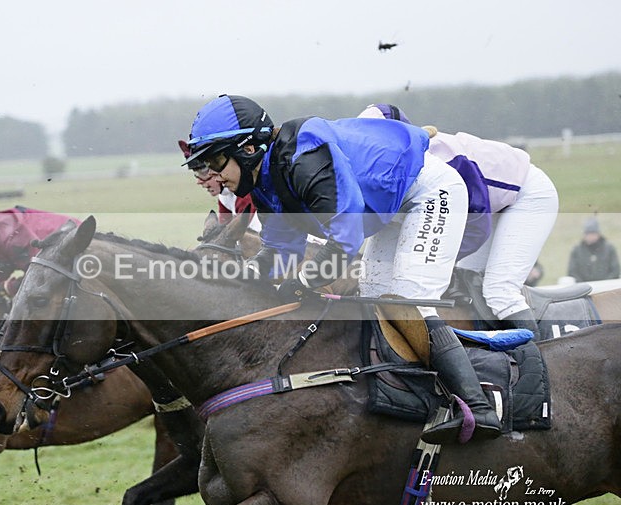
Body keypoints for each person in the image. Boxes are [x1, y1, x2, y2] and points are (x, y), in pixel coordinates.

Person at [182, 94, 500, 444]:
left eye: (214, 160)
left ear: (247, 148)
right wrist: (235, 282)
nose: (210, 174)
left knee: (411, 300)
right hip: (391, 210)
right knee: (375, 300)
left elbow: (345, 240)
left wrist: (303, 281)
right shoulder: (267, 183)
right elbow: (280, 250)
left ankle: (478, 406)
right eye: (203, 165)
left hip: (429, 192)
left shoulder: (305, 158)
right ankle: (416, 397)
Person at [358, 104, 560, 339]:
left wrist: (433, 262)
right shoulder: (389, 167)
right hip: (489, 205)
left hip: (526, 196)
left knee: (499, 292)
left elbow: (477, 225)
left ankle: (541, 356)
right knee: (468, 290)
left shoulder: (440, 163)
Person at [179, 139, 261, 231]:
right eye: (197, 174)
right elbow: (221, 232)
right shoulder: (224, 197)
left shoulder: (245, 195)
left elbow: (242, 237)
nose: (199, 181)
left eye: (202, 172)